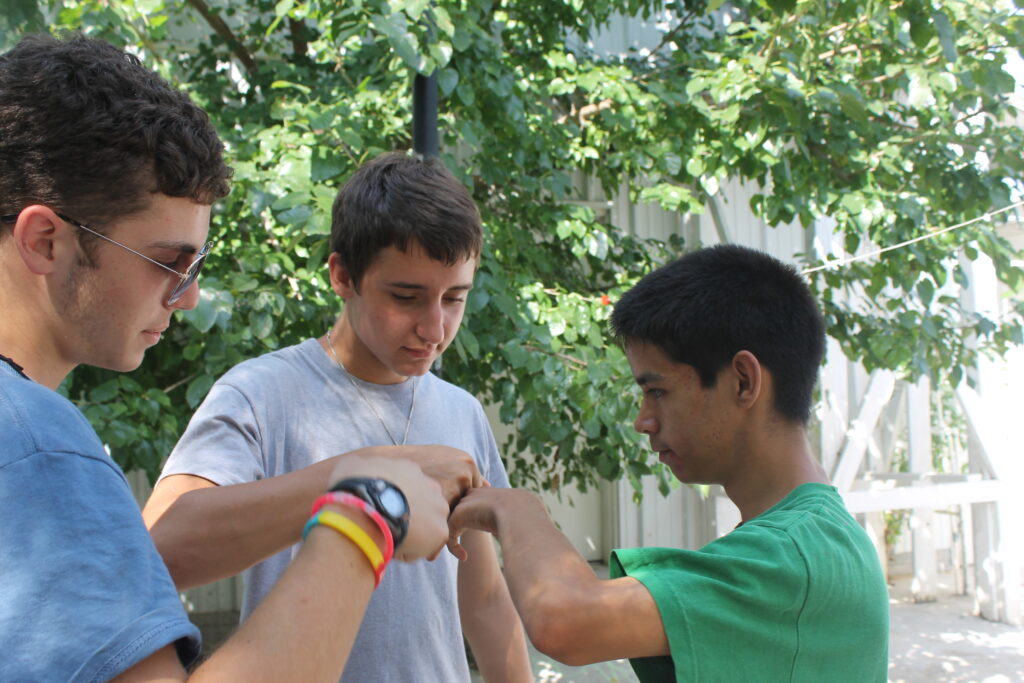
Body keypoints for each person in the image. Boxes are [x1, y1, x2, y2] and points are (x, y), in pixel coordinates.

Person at [0, 33, 471, 682]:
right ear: (45, 240)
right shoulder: (37, 447)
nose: (190, 296)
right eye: (168, 262)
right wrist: (372, 509)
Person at [142, 152, 532, 682]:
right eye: (406, 297)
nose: (435, 329)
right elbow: (158, 546)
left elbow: (485, 600)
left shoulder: (462, 412)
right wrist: (368, 476)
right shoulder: (259, 394)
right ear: (342, 275)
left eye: (454, 298)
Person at [448, 244, 891, 682]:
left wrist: (516, 507)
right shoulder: (818, 538)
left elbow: (565, 621)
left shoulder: (791, 559)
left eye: (658, 391)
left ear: (743, 381)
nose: (643, 421)